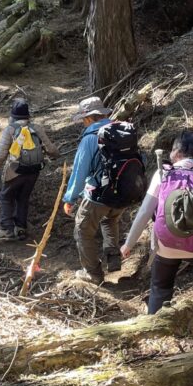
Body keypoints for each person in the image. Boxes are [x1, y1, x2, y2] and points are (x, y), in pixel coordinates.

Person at [121, 130, 193, 314]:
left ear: (177, 152)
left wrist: (128, 244)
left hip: (164, 246)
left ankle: (155, 314)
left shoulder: (162, 175)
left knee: (160, 285)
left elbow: (145, 212)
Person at [62, 96, 123, 284]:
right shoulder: (122, 130)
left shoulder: (90, 138)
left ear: (89, 118)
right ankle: (113, 258)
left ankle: (93, 274)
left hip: (98, 195)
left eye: (83, 119)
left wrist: (70, 198)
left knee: (82, 230)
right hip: (123, 192)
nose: (82, 122)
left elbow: (80, 172)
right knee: (109, 218)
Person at [0, 100, 58, 240]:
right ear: (28, 115)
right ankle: (20, 229)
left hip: (15, 171)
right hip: (33, 171)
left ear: (12, 115)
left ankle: (7, 229)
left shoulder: (10, 129)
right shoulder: (36, 128)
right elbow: (51, 150)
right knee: (23, 198)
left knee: (6, 197)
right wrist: (57, 155)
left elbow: (1, 155)